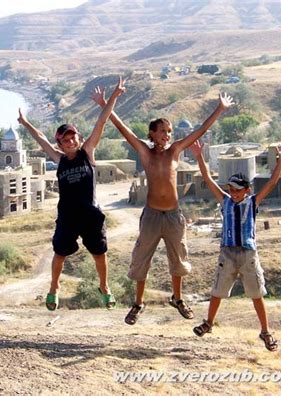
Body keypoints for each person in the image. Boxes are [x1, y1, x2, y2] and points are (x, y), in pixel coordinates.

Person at [92, 89, 233, 324]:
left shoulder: (176, 151)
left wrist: (220, 108)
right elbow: (122, 129)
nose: (167, 135)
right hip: (151, 216)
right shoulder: (145, 153)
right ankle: (138, 303)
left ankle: (177, 298)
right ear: (152, 133)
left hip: (174, 215)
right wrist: (105, 104)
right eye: (163, 131)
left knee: (178, 258)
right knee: (142, 259)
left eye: (169, 132)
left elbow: (200, 131)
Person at [17, 77, 126, 311]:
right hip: (67, 216)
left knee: (99, 253)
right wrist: (25, 123)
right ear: (60, 143)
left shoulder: (87, 153)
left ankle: (104, 287)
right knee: (60, 254)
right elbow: (41, 139)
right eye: (65, 139)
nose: (70, 141)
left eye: (73, 137)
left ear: (78, 137)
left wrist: (114, 96)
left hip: (90, 215)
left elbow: (102, 121)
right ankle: (54, 288)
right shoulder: (59, 160)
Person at [190, 140, 281, 351]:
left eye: (238, 189)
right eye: (231, 189)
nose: (234, 192)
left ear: (247, 190)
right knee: (217, 291)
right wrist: (199, 156)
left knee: (256, 294)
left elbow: (272, 183)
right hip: (227, 253)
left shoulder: (253, 201)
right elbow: (208, 179)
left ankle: (265, 332)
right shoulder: (225, 201)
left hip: (248, 253)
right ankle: (208, 323)